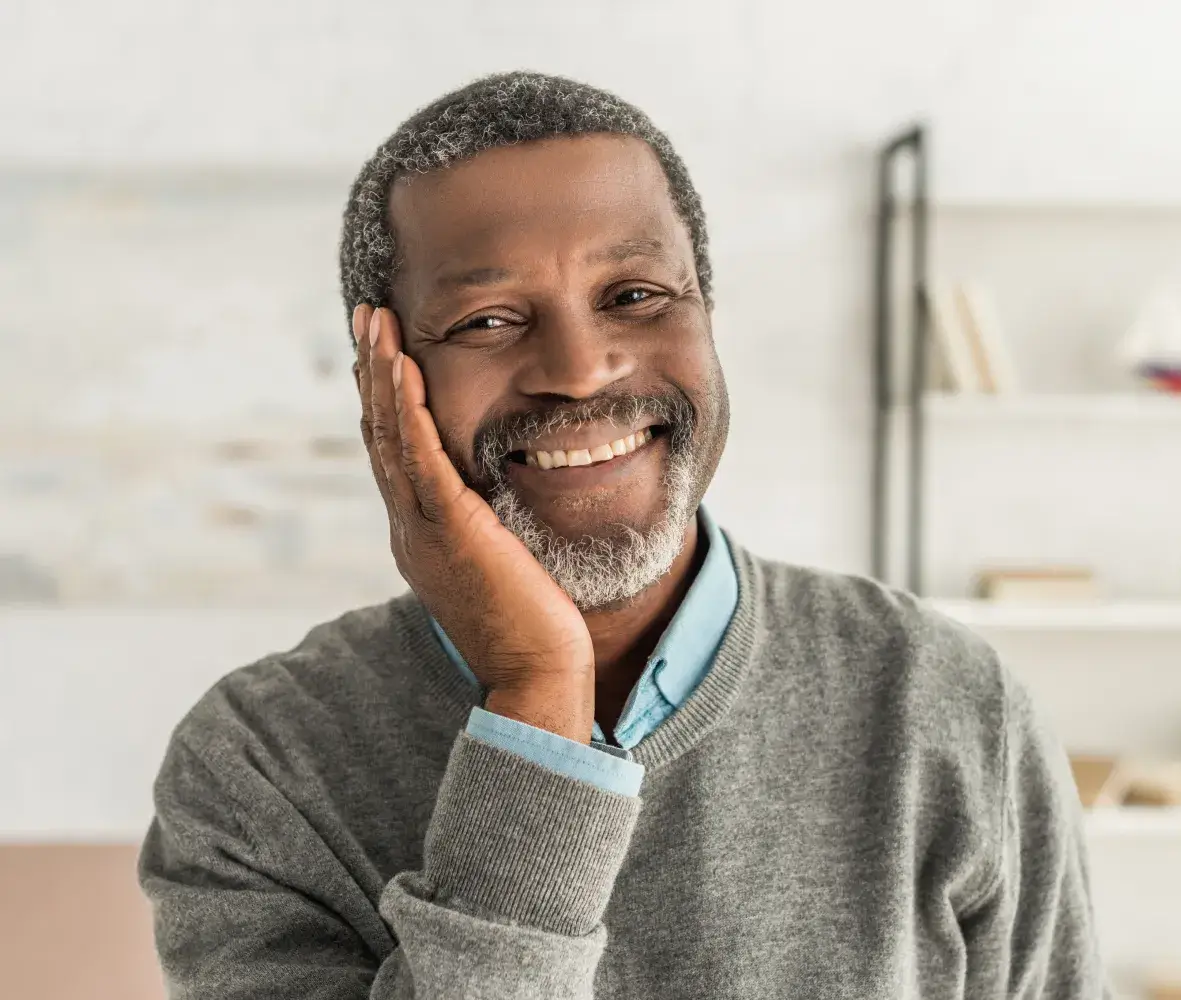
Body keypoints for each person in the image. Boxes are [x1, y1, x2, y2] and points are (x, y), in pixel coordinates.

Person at [137, 71, 1110, 999]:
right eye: (488, 318)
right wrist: (537, 697)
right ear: (380, 377)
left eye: (635, 297)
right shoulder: (261, 764)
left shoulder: (945, 704)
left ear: (707, 317)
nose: (580, 368)